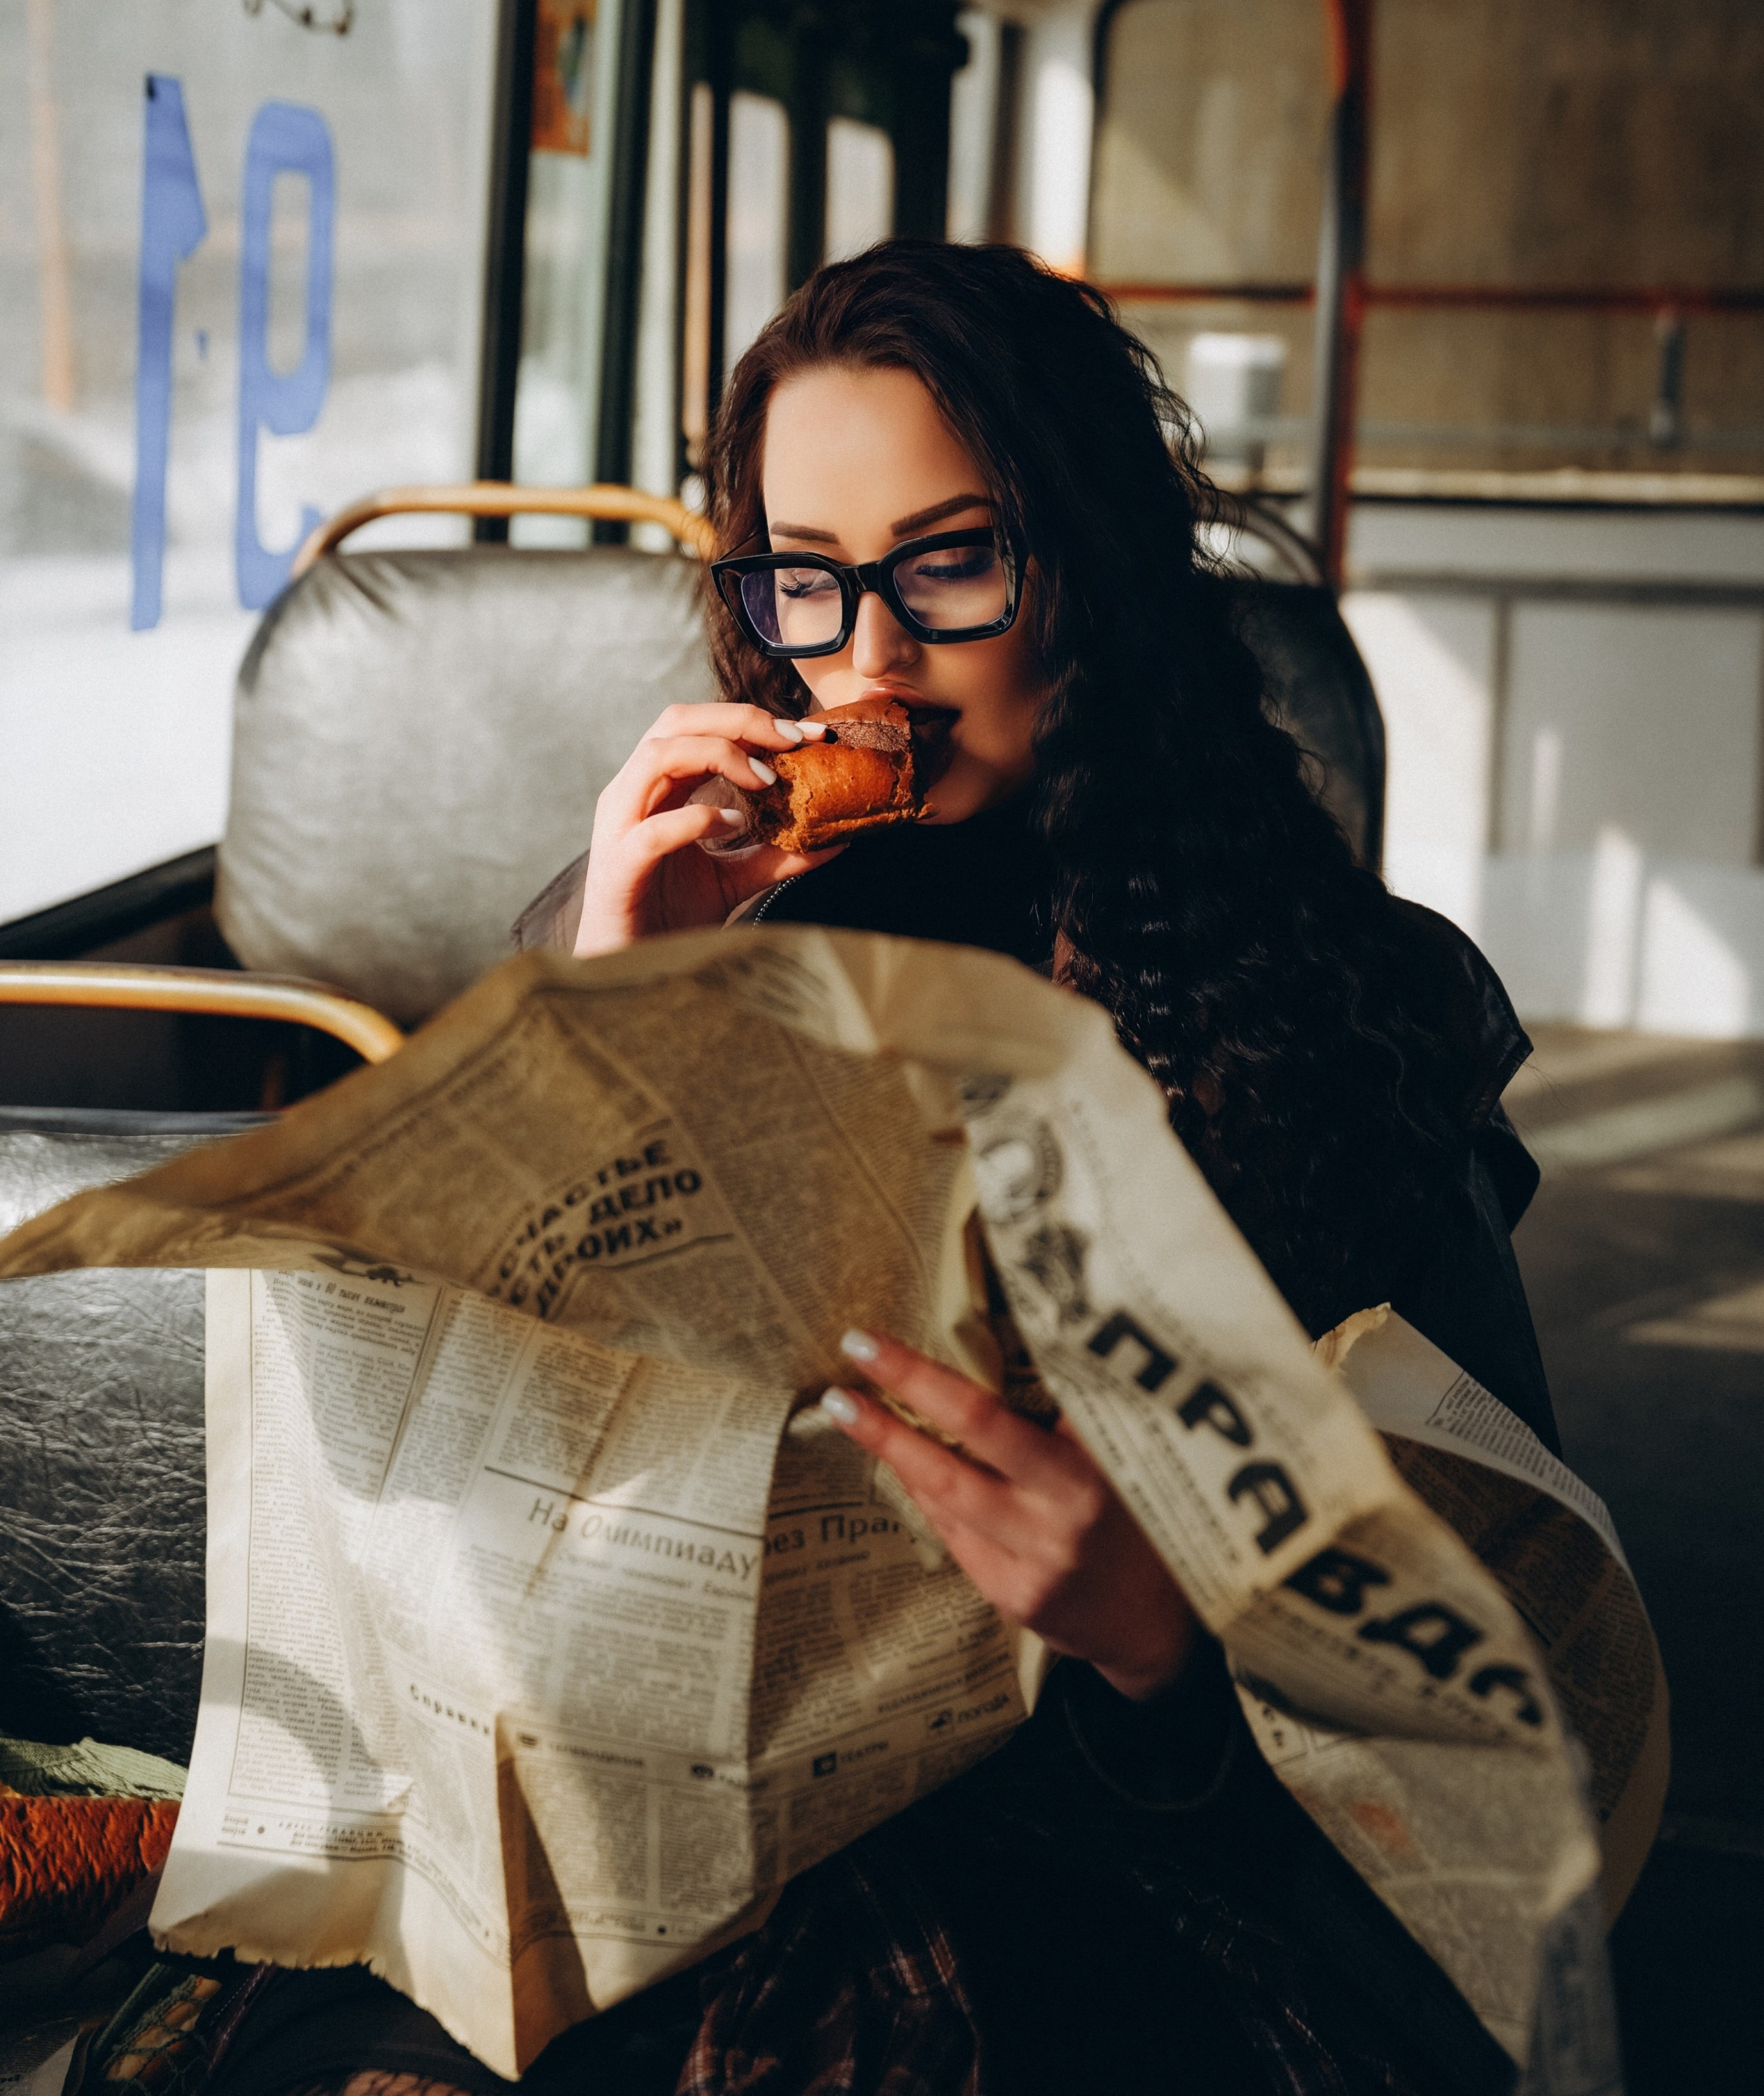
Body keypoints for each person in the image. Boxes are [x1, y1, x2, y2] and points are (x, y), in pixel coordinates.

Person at [180, 244, 1549, 2096]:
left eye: (950, 564)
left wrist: (1160, 1638)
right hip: (680, 1796)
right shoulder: (681, 917)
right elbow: (471, 1455)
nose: (872, 659)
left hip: (1113, 1870)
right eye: (808, 584)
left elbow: (1513, 1679)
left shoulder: (1350, 1020)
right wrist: (603, 983)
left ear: (1091, 565)